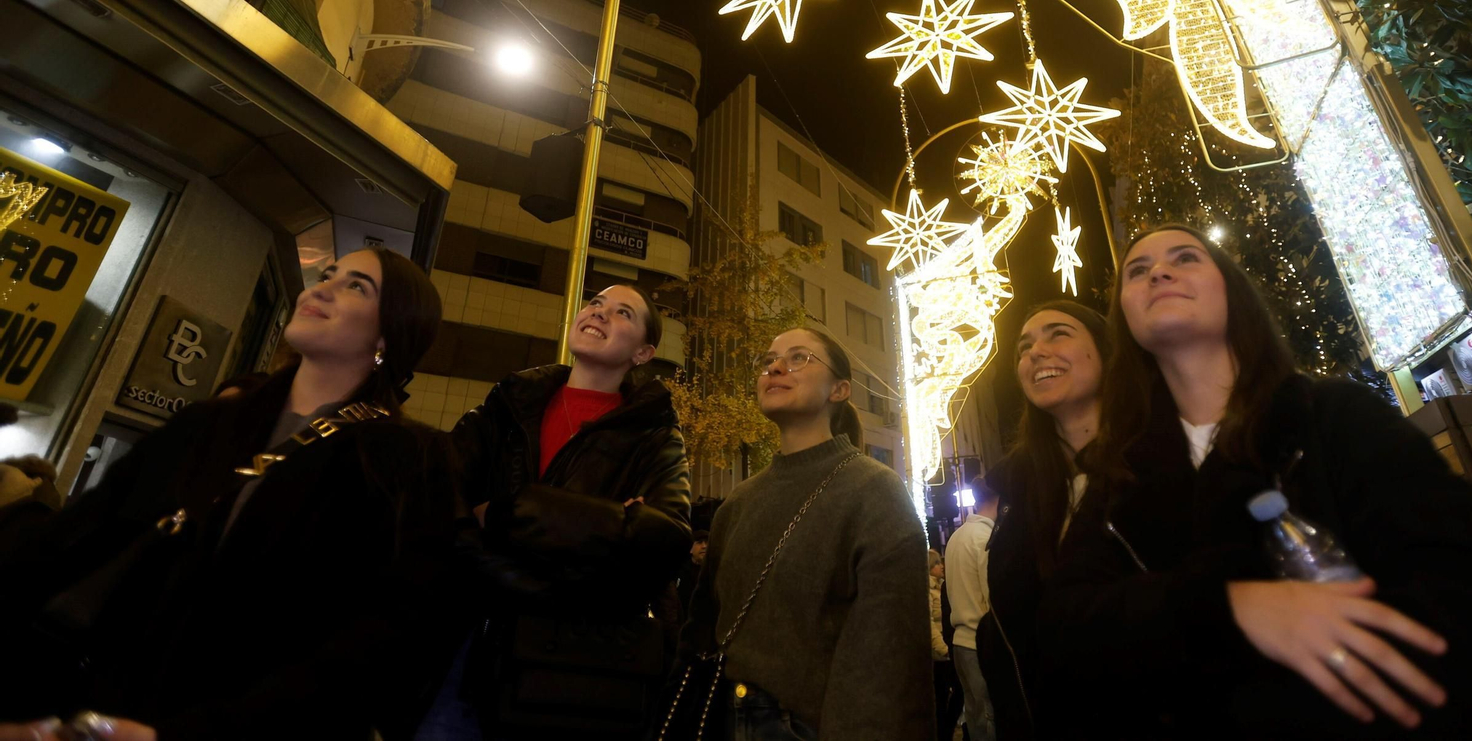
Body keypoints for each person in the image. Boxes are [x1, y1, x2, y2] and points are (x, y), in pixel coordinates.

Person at [1040, 223, 1472, 737]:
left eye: (1185, 259)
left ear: (1233, 293)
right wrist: (1228, 608)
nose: (1158, 273)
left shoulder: (1333, 419)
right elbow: (1065, 630)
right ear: (1126, 319)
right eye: (1138, 271)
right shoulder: (1120, 478)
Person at [0, 248, 454, 741]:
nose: (321, 287)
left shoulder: (407, 460)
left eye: (356, 286)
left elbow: (380, 642)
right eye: (328, 274)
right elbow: (69, 542)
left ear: (390, 332)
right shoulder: (206, 425)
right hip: (95, 708)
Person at [421, 284, 692, 740]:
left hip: (574, 670)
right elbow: (439, 507)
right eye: (595, 303)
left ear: (643, 353)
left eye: (622, 312)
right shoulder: (507, 406)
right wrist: (606, 521)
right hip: (464, 646)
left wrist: (512, 511)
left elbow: (663, 540)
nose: (600, 313)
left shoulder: (655, 437)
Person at [679, 327, 933, 740]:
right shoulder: (739, 501)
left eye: (799, 358)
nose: (776, 366)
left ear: (840, 390)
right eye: (769, 360)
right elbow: (701, 629)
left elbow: (891, 663)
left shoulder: (875, 492)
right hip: (719, 716)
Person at [977, 300, 1106, 740]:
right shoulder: (1018, 495)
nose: (1035, 352)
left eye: (1059, 334)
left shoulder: (1165, 464)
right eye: (1024, 347)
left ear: (1107, 353)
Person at [945, 477, 998, 741]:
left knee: (975, 716)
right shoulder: (986, 538)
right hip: (981, 642)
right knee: (989, 718)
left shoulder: (957, 537)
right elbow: (993, 597)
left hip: (960, 642)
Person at [929, 550, 963, 741]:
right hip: (939, 653)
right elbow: (930, 625)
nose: (941, 566)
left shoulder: (941, 587)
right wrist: (944, 649)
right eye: (936, 564)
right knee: (946, 696)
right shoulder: (928, 591)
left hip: (945, 648)